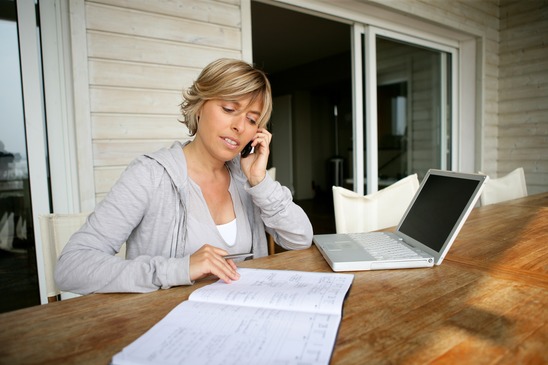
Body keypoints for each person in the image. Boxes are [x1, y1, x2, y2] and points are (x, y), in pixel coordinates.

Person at [55, 58, 313, 294]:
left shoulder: (247, 180)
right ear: (199, 106)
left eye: (251, 119)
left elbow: (300, 239)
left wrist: (260, 181)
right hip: (168, 323)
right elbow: (71, 268)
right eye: (228, 109)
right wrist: (179, 268)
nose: (239, 126)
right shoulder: (150, 175)